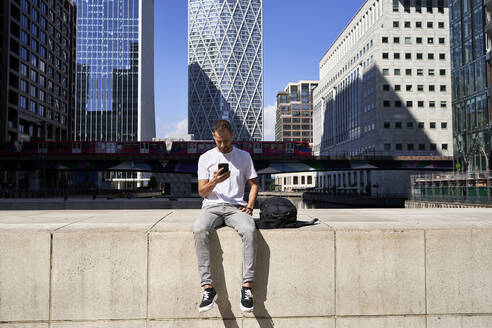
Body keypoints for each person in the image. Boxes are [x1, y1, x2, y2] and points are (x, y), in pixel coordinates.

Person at [194, 120, 259, 313]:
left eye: (226, 141)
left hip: (235, 207)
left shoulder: (244, 156)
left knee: (249, 230)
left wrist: (250, 205)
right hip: (211, 207)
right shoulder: (205, 158)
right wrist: (214, 181)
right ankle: (207, 288)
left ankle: (247, 287)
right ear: (214, 137)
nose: (222, 145)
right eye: (218, 141)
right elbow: (202, 192)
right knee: (199, 230)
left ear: (233, 135)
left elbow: (254, 184)